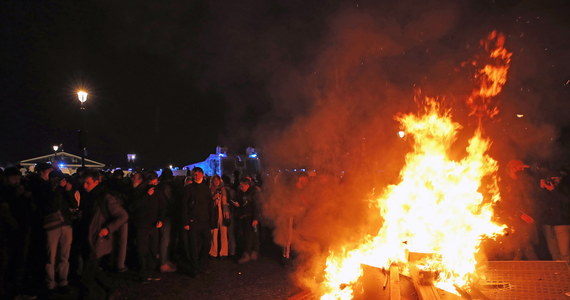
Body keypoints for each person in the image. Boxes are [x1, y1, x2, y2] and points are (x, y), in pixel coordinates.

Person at [78, 169, 128, 300]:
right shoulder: (88, 196)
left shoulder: (105, 197)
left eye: (88, 183)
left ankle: (91, 295)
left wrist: (108, 228)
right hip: (88, 238)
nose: (84, 186)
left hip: (98, 240)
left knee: (86, 276)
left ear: (96, 182)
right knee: (92, 271)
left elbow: (123, 216)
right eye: (83, 183)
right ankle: (111, 289)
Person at [182, 167, 214, 276]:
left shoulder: (206, 188)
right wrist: (186, 222)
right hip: (193, 221)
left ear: (202, 174)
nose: (195, 176)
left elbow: (210, 205)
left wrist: (211, 221)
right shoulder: (188, 188)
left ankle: (202, 265)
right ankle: (195, 268)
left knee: (207, 244)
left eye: (197, 174)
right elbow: (184, 207)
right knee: (193, 246)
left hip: (205, 221)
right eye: (194, 174)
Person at [539, 168, 570, 262]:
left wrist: (554, 190)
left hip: (562, 224)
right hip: (548, 225)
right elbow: (538, 202)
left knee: (565, 254)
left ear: (560, 178)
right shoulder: (546, 189)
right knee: (554, 254)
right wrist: (541, 189)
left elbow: (567, 201)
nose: (553, 181)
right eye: (551, 178)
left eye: (555, 179)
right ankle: (559, 274)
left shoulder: (565, 187)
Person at [235, 178, 260, 264]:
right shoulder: (243, 193)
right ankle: (251, 253)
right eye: (240, 186)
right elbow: (244, 204)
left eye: (242, 186)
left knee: (252, 236)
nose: (241, 187)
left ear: (247, 185)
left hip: (251, 218)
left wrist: (256, 219)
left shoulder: (254, 193)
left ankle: (250, 253)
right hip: (245, 218)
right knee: (248, 236)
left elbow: (256, 206)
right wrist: (238, 204)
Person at [209, 175, 230, 258]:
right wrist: (214, 198)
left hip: (223, 213)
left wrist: (227, 213)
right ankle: (213, 252)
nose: (216, 182)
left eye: (217, 180)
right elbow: (208, 203)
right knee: (214, 233)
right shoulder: (210, 190)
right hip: (214, 213)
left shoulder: (224, 190)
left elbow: (226, 202)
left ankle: (224, 252)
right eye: (215, 180)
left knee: (224, 233)